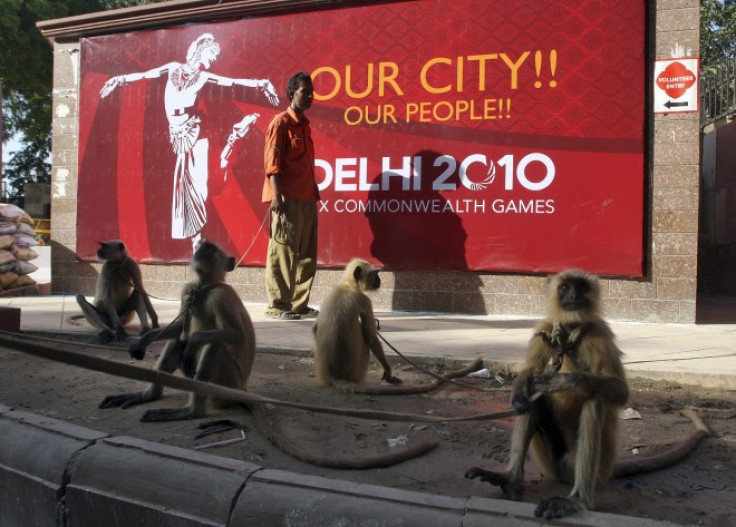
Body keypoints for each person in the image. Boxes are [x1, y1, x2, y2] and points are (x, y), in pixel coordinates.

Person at [100, 33, 279, 251]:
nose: (214, 58)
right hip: (177, 133)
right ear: (200, 49)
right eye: (212, 53)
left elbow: (231, 82)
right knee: (201, 183)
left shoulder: (204, 77)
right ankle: (235, 137)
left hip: (199, 129)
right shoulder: (173, 68)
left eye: (216, 55)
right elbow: (146, 75)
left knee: (201, 186)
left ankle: (197, 240)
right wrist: (119, 80)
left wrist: (261, 84)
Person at [262, 71, 319, 320]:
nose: (309, 96)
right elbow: (272, 163)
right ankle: (278, 304)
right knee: (283, 251)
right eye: (304, 91)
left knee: (307, 254)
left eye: (311, 92)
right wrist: (277, 196)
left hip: (307, 198)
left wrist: (314, 190)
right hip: (286, 198)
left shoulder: (305, 125)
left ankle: (298, 304)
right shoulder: (281, 122)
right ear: (290, 94)